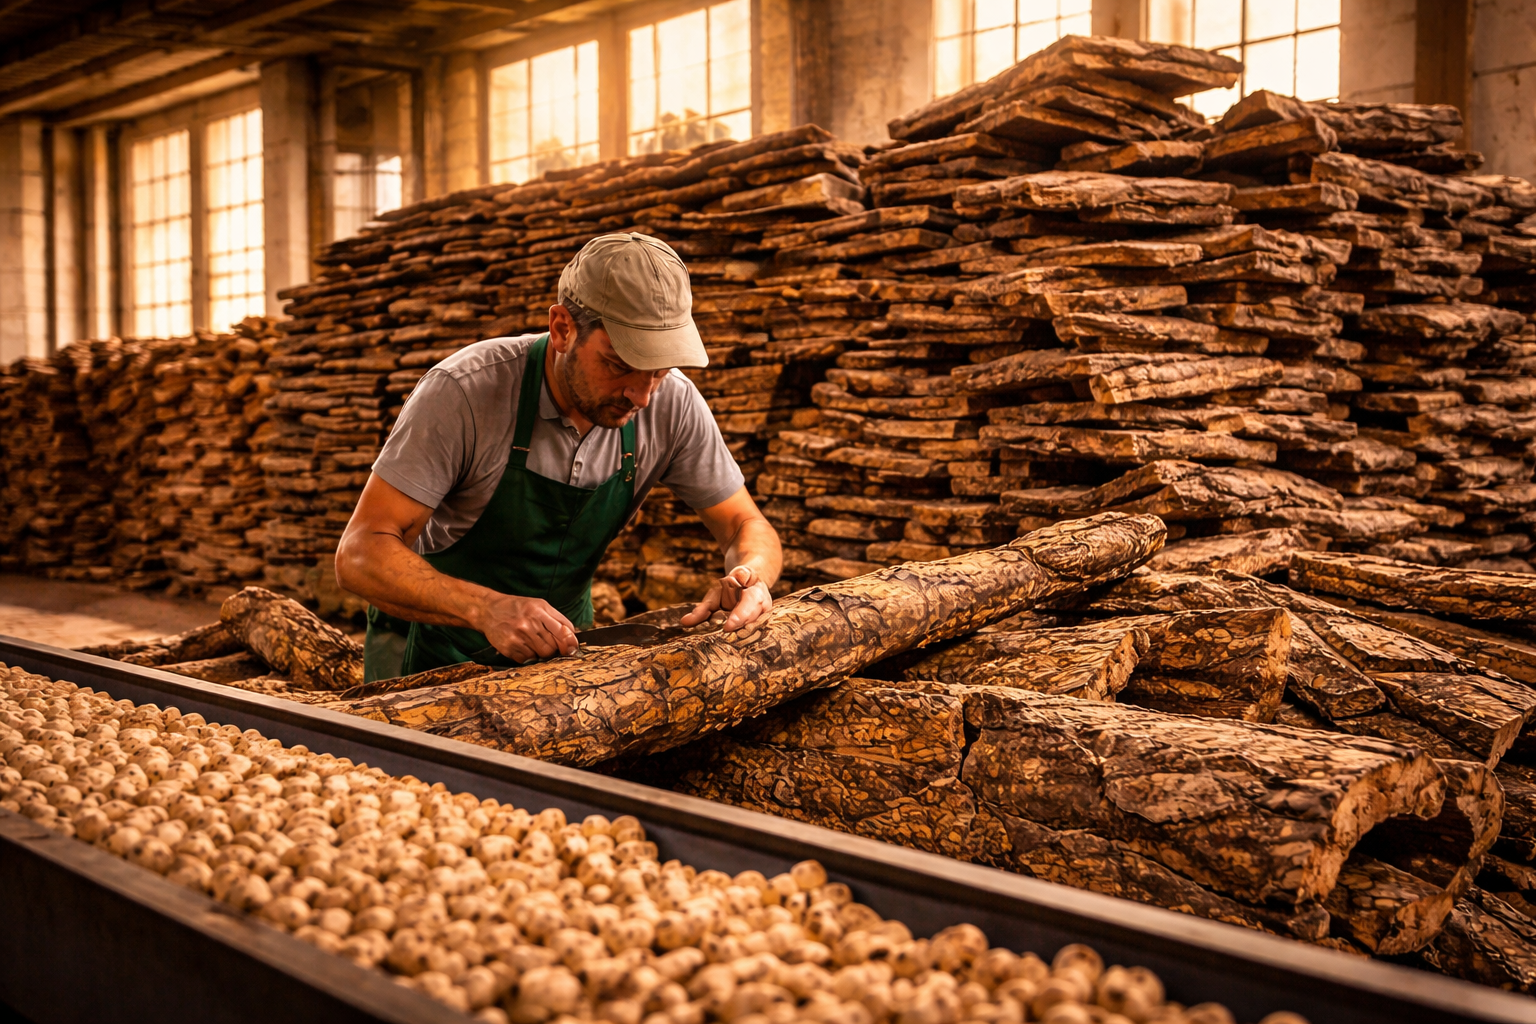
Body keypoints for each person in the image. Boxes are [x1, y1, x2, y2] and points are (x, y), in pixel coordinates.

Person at [336, 232, 783, 681]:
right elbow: (360, 553)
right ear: (562, 328)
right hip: (428, 650)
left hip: (560, 657)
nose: (642, 397)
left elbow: (745, 525)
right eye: (619, 364)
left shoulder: (672, 404)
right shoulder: (464, 392)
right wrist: (485, 608)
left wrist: (751, 575)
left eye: (660, 372)